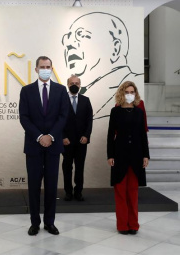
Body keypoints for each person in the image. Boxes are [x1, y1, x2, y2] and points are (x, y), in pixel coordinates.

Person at [19, 56, 69, 236]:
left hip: (53, 146)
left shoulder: (61, 90)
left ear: (52, 68)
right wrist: (40, 136)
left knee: (51, 185)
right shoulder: (26, 91)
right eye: (42, 67)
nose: (45, 69)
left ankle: (50, 222)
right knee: (33, 186)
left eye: (48, 66)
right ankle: (34, 222)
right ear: (36, 69)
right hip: (34, 146)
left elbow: (63, 116)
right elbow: (24, 117)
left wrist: (51, 136)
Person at [62, 12, 144, 119]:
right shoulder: (79, 95)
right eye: (66, 38)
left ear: (115, 49)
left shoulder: (130, 85)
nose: (68, 44)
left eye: (81, 35)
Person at [107, 81, 150, 235]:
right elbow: (111, 135)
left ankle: (133, 224)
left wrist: (146, 155)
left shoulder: (139, 112)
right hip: (119, 155)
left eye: (132, 92)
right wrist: (110, 155)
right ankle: (122, 225)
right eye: (127, 92)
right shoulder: (115, 111)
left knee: (133, 192)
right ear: (122, 93)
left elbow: (143, 135)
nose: (130, 94)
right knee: (120, 191)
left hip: (137, 156)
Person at [62, 75, 93, 201]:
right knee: (67, 167)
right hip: (66, 141)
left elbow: (89, 120)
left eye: (77, 83)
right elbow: (59, 120)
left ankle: (78, 192)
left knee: (80, 167)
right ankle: (68, 192)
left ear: (80, 85)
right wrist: (62, 137)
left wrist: (86, 135)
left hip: (82, 141)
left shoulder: (86, 100)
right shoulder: (62, 100)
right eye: (72, 83)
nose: (74, 84)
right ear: (68, 85)